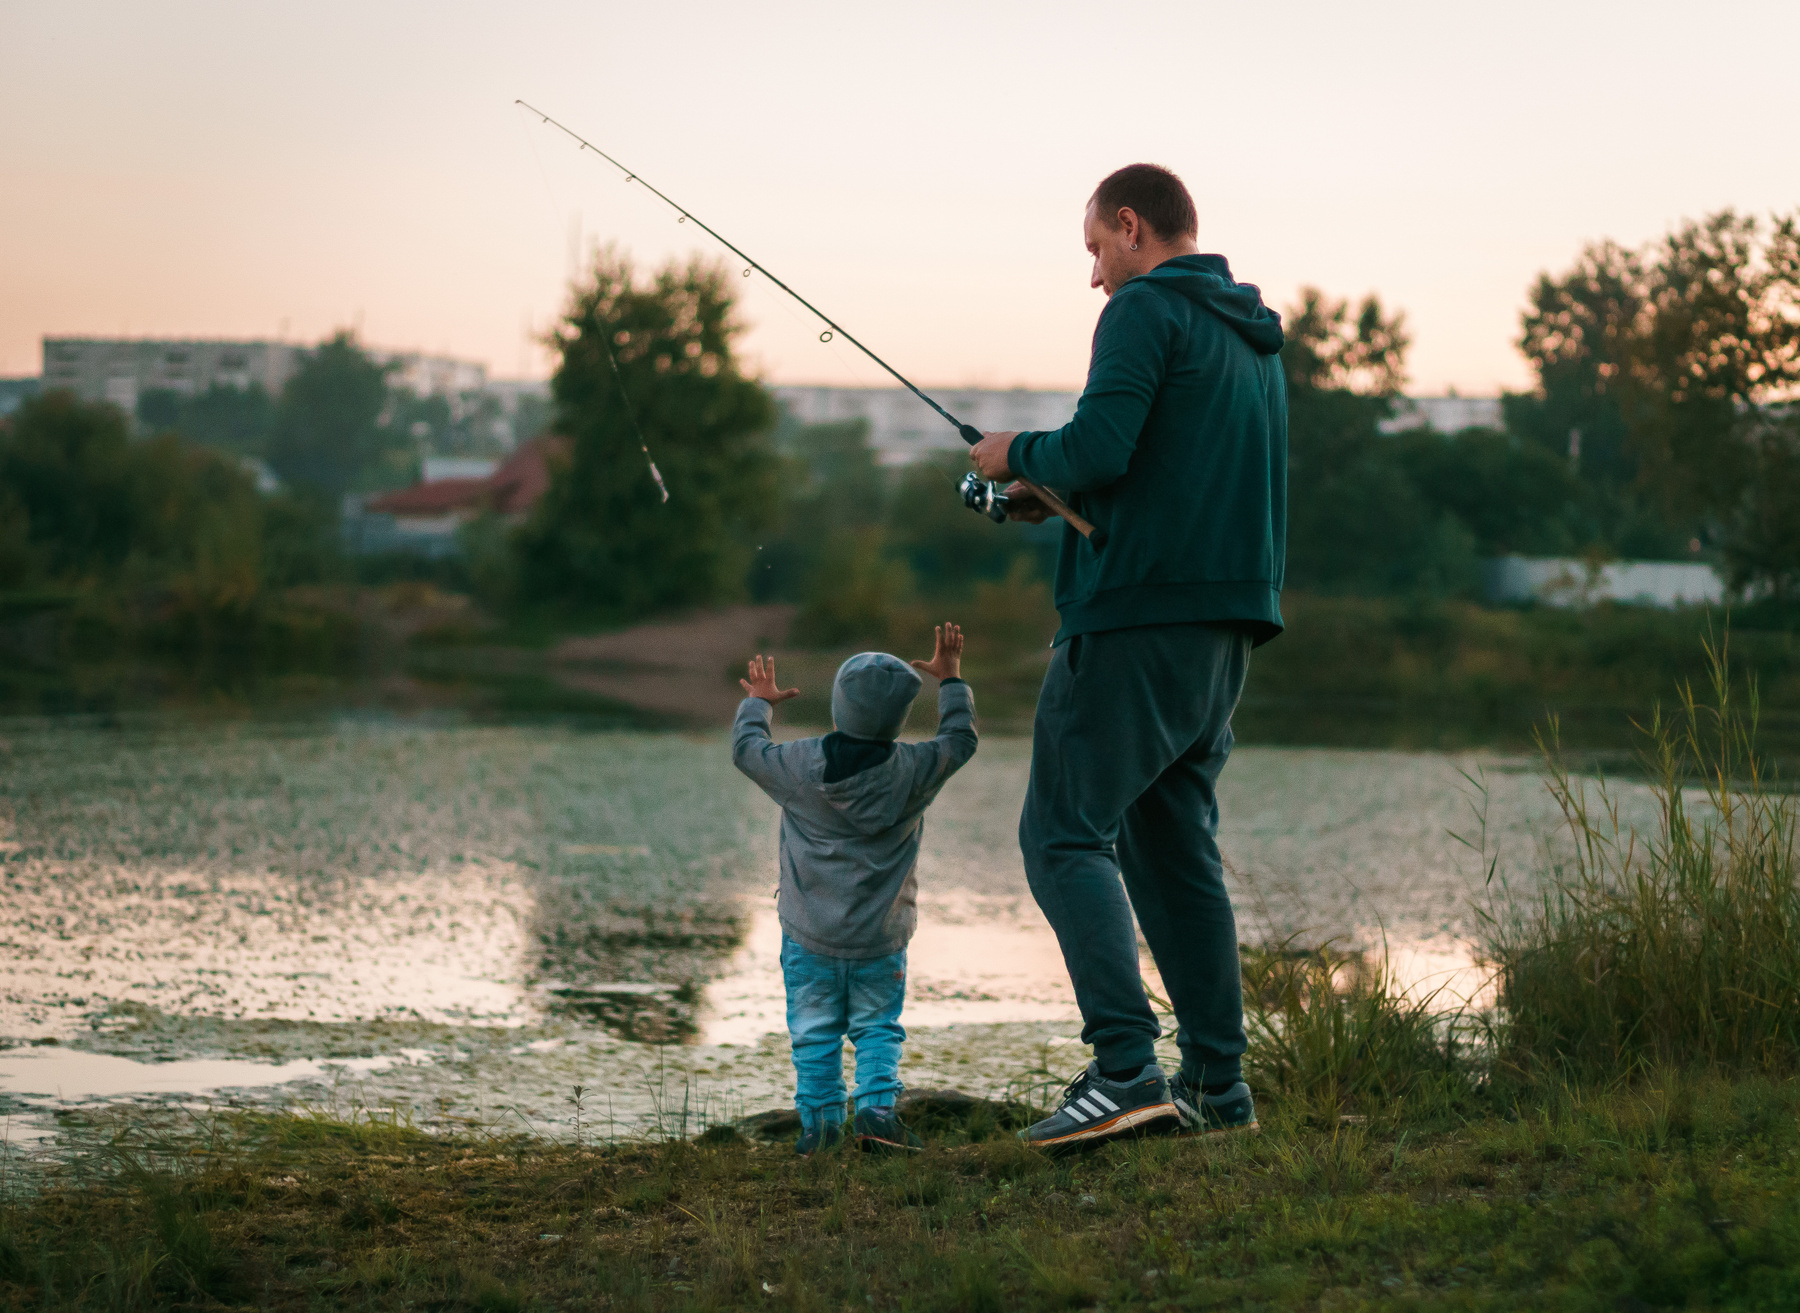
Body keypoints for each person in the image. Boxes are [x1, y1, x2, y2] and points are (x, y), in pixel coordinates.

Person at [967, 163, 1287, 1148]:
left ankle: (1123, 1070)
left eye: (1097, 249)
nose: (1096, 276)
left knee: (1063, 835)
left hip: (1134, 622)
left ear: (1133, 226)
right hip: (1224, 625)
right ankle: (1217, 1085)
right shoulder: (1251, 337)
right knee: (1173, 848)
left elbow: (1099, 446)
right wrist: (1052, 496)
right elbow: (1160, 471)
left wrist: (1014, 454)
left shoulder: (1147, 310)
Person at [731, 625, 977, 1154]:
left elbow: (748, 751)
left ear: (838, 710)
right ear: (898, 719)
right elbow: (961, 740)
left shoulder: (800, 767)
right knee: (878, 1029)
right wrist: (951, 680)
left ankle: (819, 1132)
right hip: (880, 939)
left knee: (815, 1035)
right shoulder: (914, 769)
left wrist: (758, 704)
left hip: (809, 937)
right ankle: (877, 1113)